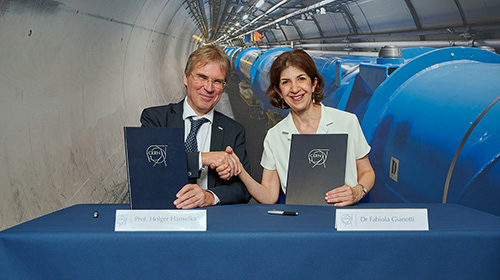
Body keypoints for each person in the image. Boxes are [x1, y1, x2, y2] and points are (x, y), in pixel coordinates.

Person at [218, 49, 375, 206]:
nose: (294, 89)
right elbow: (269, 196)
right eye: (286, 82)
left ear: (313, 84)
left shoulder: (347, 122)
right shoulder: (275, 136)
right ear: (279, 91)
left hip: (344, 217)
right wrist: (241, 172)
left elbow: (367, 172)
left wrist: (357, 192)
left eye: (301, 79)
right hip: (301, 218)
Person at [140, 45, 251, 209]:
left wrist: (209, 196)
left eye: (217, 81)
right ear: (186, 78)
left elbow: (243, 188)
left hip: (210, 221)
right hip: (161, 214)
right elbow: (146, 166)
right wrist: (202, 158)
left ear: (223, 87)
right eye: (202, 77)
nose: (209, 87)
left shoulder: (234, 131)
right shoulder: (156, 119)